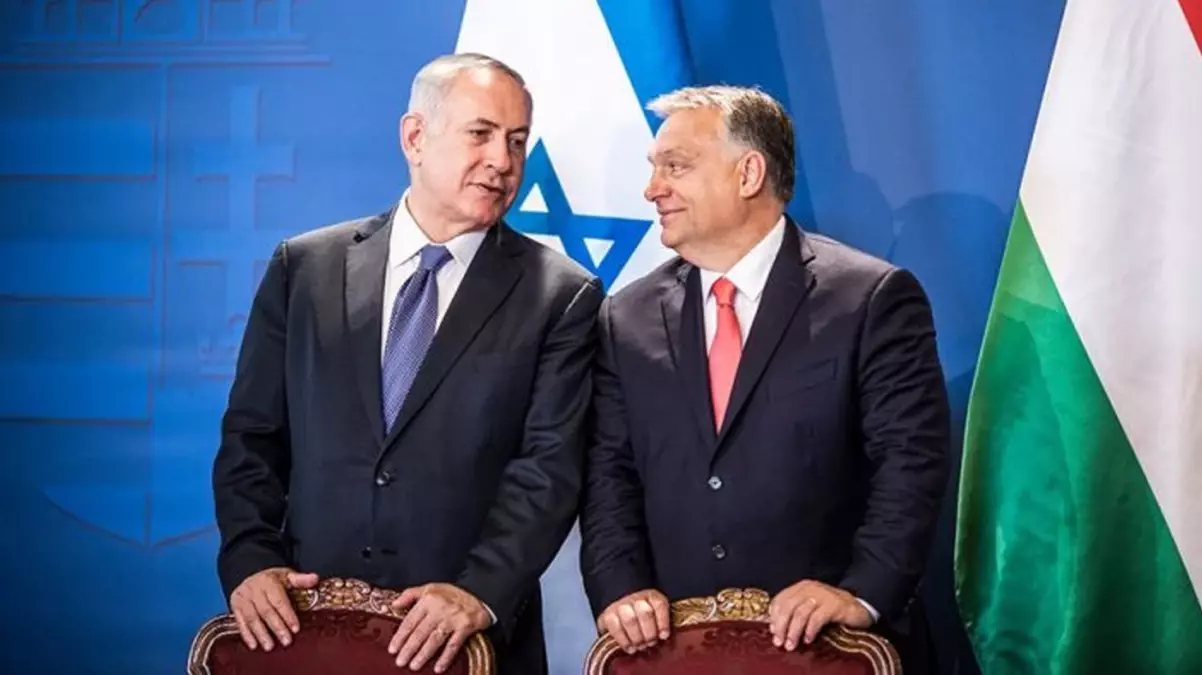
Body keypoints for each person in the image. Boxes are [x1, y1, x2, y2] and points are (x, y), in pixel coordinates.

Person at [211, 53, 602, 675]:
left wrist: (478, 592)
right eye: (481, 133)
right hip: (305, 627)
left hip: (466, 642)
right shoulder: (305, 268)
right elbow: (252, 437)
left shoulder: (562, 294)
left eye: (516, 141)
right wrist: (250, 561)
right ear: (415, 137)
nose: (503, 161)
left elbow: (549, 469)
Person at [578, 85, 950, 671]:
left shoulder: (870, 299)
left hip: (830, 649)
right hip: (675, 650)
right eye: (655, 168)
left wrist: (861, 593)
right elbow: (609, 474)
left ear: (748, 173)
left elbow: (910, 462)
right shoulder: (626, 316)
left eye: (675, 166)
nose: (653, 189)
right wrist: (620, 587)